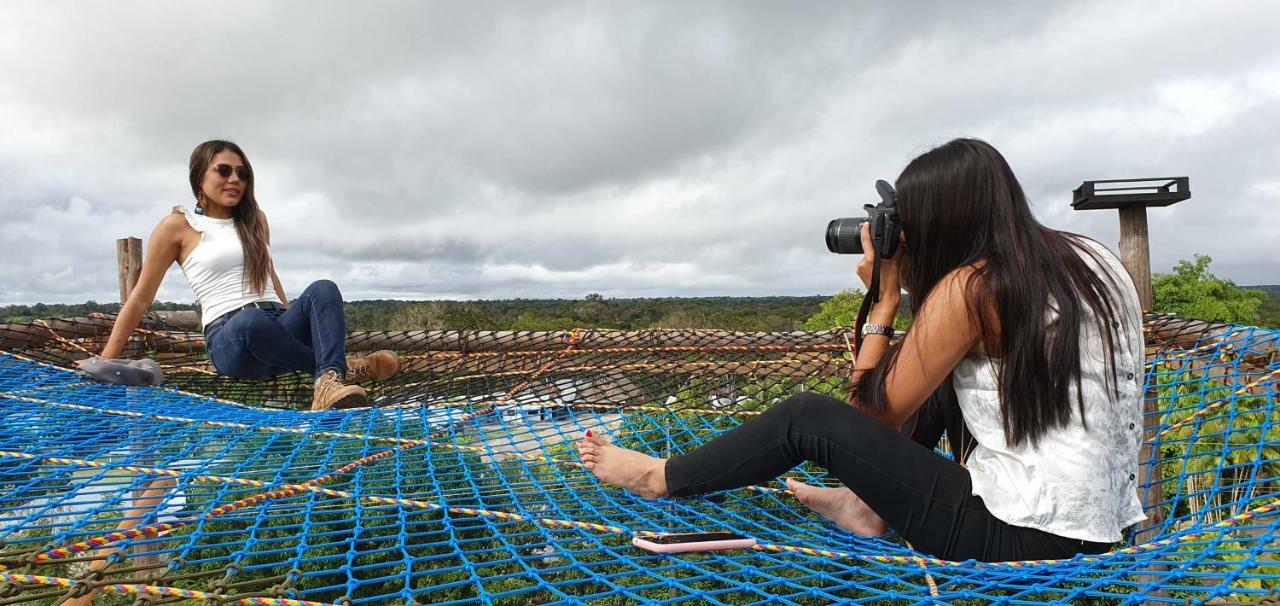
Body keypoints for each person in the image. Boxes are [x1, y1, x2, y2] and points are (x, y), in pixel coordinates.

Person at [579, 138, 1145, 563]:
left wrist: (883, 301)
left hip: (1018, 530)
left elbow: (869, 420)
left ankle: (660, 477)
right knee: (939, 373)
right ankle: (866, 505)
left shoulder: (973, 288)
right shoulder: (1088, 260)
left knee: (808, 417)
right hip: (1101, 521)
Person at [86, 140, 400, 411]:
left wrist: (291, 326)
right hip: (231, 338)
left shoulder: (256, 220)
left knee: (324, 288)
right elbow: (140, 297)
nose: (234, 178)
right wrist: (104, 361)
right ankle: (345, 370)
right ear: (200, 177)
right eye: (223, 170)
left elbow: (271, 279)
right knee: (251, 322)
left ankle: (329, 380)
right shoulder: (177, 226)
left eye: (242, 173)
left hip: (274, 328)